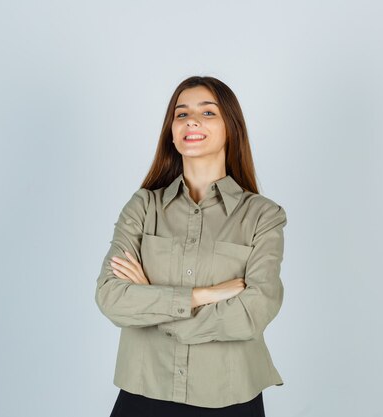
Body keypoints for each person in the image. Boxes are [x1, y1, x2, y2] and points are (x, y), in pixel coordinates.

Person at [95, 75, 288, 416]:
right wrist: (203, 295)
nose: (191, 120)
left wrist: (153, 301)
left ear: (232, 127)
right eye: (181, 114)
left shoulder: (262, 216)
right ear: (172, 132)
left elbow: (252, 312)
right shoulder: (143, 207)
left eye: (208, 112)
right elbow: (111, 298)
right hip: (144, 393)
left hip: (229, 398)